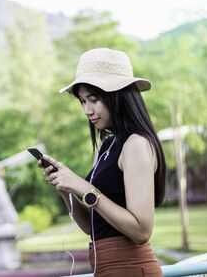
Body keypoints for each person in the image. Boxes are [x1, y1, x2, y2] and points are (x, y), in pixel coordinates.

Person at [40, 48, 165, 276]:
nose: (87, 110)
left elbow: (142, 231)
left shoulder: (135, 144)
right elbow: (92, 228)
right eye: (82, 101)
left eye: (94, 100)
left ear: (117, 95)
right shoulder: (107, 146)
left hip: (130, 269)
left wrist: (84, 187)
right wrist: (65, 187)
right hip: (104, 268)